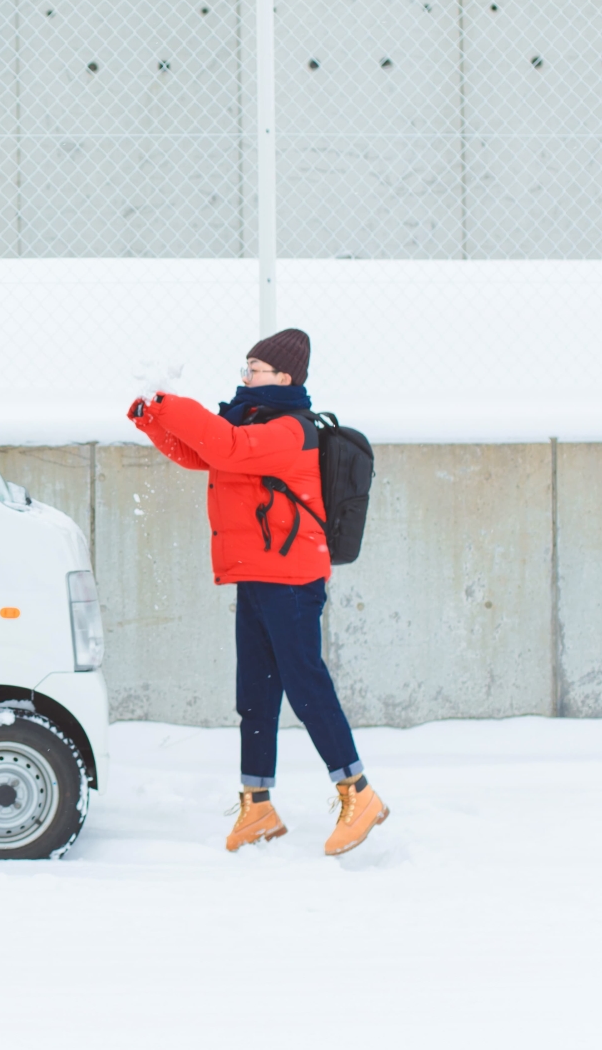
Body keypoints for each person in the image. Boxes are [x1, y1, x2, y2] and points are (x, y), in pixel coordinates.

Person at [128, 328, 389, 856]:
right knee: (256, 693)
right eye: (244, 367)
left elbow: (226, 447)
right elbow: (200, 453)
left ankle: (358, 792)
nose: (245, 377)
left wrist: (173, 402)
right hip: (256, 573)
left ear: (285, 377)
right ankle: (258, 805)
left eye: (255, 369)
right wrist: (151, 413)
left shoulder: (290, 430)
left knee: (305, 686)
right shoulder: (249, 420)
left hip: (291, 578)